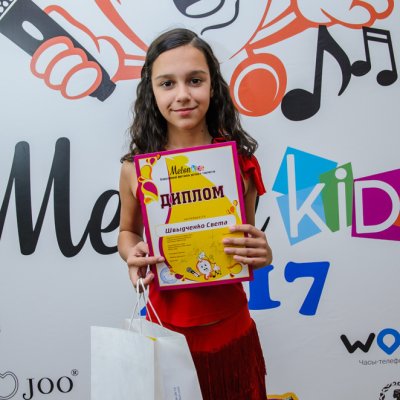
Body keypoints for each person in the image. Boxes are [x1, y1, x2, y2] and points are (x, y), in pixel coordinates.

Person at [118, 28, 273, 400]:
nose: (183, 94)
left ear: (213, 87)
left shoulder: (240, 164)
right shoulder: (135, 170)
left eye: (195, 80)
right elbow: (127, 233)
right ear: (151, 92)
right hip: (165, 333)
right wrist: (131, 254)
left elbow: (246, 242)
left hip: (231, 332)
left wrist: (263, 253)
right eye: (167, 83)